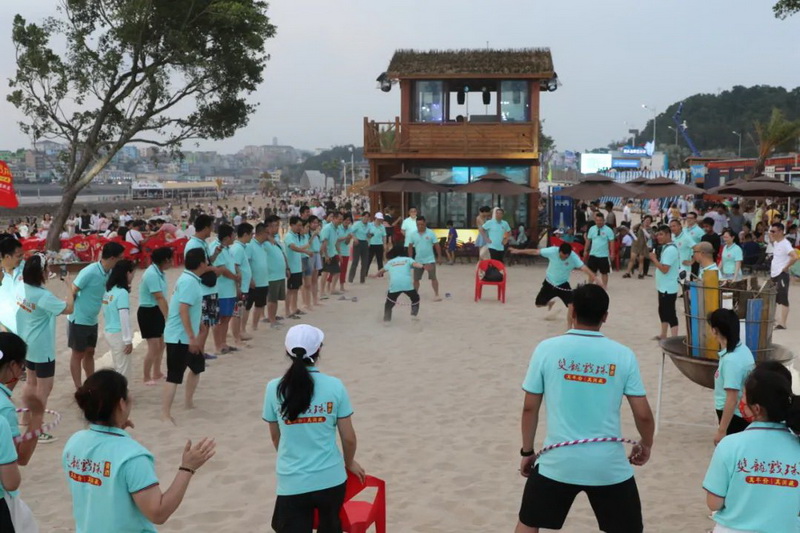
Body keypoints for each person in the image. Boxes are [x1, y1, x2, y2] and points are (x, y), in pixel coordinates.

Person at [515, 284, 655, 533]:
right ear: (605, 317)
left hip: (558, 461)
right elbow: (643, 414)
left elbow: (529, 408)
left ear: (572, 311)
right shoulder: (623, 355)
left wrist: (527, 451)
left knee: (528, 524)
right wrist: (646, 443)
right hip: (607, 464)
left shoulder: (546, 349)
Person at [64, 369, 216, 532]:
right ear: (121, 404)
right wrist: (187, 468)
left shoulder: (74, 442)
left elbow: (98, 485)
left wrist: (115, 428)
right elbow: (158, 513)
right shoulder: (132, 456)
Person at [263, 324, 364, 532]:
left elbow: (275, 437)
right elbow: (348, 438)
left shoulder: (274, 388)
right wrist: (349, 462)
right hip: (331, 478)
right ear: (318, 350)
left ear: (287, 351)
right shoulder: (335, 386)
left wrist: (291, 458)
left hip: (292, 480)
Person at [702, 362, 800, 533]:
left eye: (744, 396)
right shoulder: (797, 445)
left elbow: (714, 503)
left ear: (756, 408)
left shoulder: (729, 445)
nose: (741, 401)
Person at [16, 254, 74, 443]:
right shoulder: (42, 296)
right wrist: (69, 287)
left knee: (30, 382)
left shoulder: (22, 287)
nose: (49, 270)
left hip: (26, 342)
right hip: (42, 347)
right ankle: (37, 429)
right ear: (40, 272)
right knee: (44, 388)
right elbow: (69, 309)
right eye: (46, 268)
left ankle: (25, 419)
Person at [0, 332, 45, 531]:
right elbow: (21, 457)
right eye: (22, 366)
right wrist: (37, 416)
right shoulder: (4, 409)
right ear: (12, 365)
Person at [162, 248, 210, 423]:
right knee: (174, 376)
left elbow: (189, 308)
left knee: (197, 367)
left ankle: (188, 402)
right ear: (201, 263)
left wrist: (199, 325)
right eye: (205, 260)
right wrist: (191, 337)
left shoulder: (191, 279)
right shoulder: (189, 281)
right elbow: (183, 309)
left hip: (185, 334)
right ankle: (165, 414)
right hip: (179, 337)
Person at [69, 242, 125, 389]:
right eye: (120, 258)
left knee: (90, 352)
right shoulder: (89, 271)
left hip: (92, 319)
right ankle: (78, 387)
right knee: (77, 354)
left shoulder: (110, 273)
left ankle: (91, 383)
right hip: (79, 319)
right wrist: (72, 309)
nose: (121, 261)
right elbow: (73, 289)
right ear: (112, 258)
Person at [511, 242, 598, 328]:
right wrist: (518, 251)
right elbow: (535, 251)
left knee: (571, 306)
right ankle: (550, 303)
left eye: (566, 257)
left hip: (563, 284)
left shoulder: (573, 257)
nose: (563, 258)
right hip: (549, 283)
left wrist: (596, 278)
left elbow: (584, 268)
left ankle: (569, 328)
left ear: (569, 254)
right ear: (559, 251)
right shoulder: (552, 251)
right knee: (538, 304)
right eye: (562, 256)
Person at [708, 308, 754, 445]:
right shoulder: (743, 349)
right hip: (739, 415)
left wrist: (722, 430)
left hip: (735, 418)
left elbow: (732, 399)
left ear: (714, 331)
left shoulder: (731, 361)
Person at [183, 214, 222, 360]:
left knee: (207, 324)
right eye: (211, 227)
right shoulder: (193, 245)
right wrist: (214, 269)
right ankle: (197, 355)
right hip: (202, 289)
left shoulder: (202, 243)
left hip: (208, 288)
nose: (212, 230)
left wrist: (215, 255)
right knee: (203, 326)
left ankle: (201, 352)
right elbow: (194, 268)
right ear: (206, 228)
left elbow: (206, 262)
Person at [139, 247, 173, 386]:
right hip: (148, 312)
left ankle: (157, 372)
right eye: (170, 259)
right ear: (165, 260)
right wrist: (168, 317)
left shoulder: (160, 272)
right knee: (153, 346)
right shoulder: (151, 274)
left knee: (162, 344)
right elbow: (159, 297)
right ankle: (146, 376)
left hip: (156, 310)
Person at [102, 260, 135, 380]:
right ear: (127, 273)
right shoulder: (122, 293)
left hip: (109, 331)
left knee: (118, 365)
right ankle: (121, 391)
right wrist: (127, 339)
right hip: (119, 334)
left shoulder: (109, 291)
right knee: (123, 369)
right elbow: (123, 316)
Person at [211, 224, 240, 354]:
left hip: (229, 289)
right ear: (227, 237)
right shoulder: (216, 247)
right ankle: (218, 345)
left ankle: (224, 343)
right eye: (233, 235)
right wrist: (235, 277)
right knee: (220, 318)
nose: (234, 237)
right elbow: (221, 269)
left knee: (227, 317)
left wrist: (237, 276)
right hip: (221, 289)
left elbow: (232, 265)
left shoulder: (228, 248)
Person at [374, 245, 424, 322]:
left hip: (395, 284)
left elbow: (381, 271)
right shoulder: (408, 259)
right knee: (415, 298)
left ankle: (387, 320)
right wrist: (423, 266)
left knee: (389, 303)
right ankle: (414, 314)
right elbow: (415, 264)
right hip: (406, 284)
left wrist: (375, 275)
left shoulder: (390, 262)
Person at [649, 225, 680, 341]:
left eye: (661, 234)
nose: (658, 237)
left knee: (670, 312)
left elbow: (665, 269)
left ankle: (674, 338)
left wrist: (654, 259)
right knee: (662, 310)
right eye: (658, 235)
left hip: (668, 287)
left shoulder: (670, 250)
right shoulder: (666, 247)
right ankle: (663, 334)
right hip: (664, 286)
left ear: (668, 235)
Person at [769, 222, 797, 330]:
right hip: (774, 273)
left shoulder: (785, 244)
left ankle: (783, 323)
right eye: (771, 231)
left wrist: (786, 267)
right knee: (773, 297)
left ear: (780, 232)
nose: (772, 233)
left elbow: (794, 257)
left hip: (781, 273)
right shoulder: (776, 242)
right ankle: (773, 319)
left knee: (783, 297)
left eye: (774, 231)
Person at [230, 223, 254, 345]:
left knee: (239, 311)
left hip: (243, 286)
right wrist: (238, 286)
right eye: (251, 234)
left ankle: (238, 333)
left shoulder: (241, 247)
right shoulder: (238, 248)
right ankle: (237, 337)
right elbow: (235, 267)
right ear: (245, 234)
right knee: (237, 313)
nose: (252, 236)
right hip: (240, 287)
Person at [283, 217, 311, 320]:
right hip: (292, 268)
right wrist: (305, 251)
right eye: (298, 225)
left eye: (301, 225)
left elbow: (299, 248)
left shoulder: (296, 236)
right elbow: (293, 247)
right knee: (290, 290)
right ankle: (287, 311)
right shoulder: (289, 236)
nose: (300, 227)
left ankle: (294, 308)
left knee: (295, 289)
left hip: (298, 267)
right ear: (292, 225)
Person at [408, 216, 442, 301]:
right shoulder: (413, 234)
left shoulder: (431, 233)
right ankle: (415, 295)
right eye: (418, 225)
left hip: (430, 260)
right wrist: (410, 259)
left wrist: (439, 257)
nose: (420, 226)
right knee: (416, 279)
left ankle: (437, 294)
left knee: (433, 278)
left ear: (425, 223)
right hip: (418, 260)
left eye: (422, 224)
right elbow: (410, 246)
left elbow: (437, 245)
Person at [264, 216, 289, 329]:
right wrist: (267, 236)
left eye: (278, 225)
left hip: (280, 274)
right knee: (272, 299)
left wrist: (287, 268)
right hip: (272, 275)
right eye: (274, 225)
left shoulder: (277, 238)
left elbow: (282, 253)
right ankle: (271, 320)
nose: (277, 228)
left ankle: (273, 316)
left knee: (276, 299)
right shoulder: (264, 241)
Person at [247, 222, 270, 331]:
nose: (269, 235)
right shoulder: (250, 245)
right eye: (267, 233)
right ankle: (243, 329)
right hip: (253, 282)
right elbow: (246, 263)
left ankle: (254, 326)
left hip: (264, 281)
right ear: (262, 233)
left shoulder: (263, 245)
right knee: (247, 306)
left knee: (260, 305)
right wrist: (250, 279)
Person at [584, 212, 615, 286]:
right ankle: (590, 286)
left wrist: (612, 253)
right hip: (593, 254)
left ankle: (604, 286)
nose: (599, 222)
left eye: (600, 220)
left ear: (604, 220)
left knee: (604, 272)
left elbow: (612, 242)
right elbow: (588, 240)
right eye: (597, 220)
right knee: (592, 272)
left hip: (604, 255)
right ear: (595, 220)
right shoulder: (592, 229)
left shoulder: (608, 230)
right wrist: (585, 250)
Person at [319, 212, 344, 299]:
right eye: (339, 219)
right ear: (334, 219)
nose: (341, 221)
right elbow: (324, 243)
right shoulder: (327, 228)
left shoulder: (337, 228)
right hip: (325, 254)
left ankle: (332, 289)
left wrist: (339, 253)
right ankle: (322, 292)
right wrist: (326, 255)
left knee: (337, 272)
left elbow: (336, 242)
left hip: (333, 253)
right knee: (325, 273)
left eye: (342, 219)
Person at [347, 212, 371, 284]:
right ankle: (351, 278)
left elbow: (370, 234)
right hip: (357, 242)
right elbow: (350, 231)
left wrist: (370, 235)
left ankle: (362, 279)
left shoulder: (369, 225)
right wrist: (354, 238)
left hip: (365, 242)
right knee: (355, 261)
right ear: (362, 217)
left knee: (365, 262)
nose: (366, 218)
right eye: (365, 216)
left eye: (367, 217)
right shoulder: (357, 224)